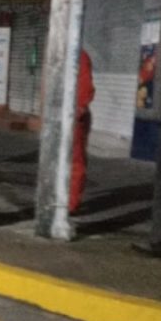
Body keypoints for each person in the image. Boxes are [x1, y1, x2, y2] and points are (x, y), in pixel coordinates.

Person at [70, 49, 96, 214]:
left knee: (75, 159)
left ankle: (71, 203)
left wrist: (79, 109)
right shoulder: (66, 53)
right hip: (66, 115)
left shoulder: (78, 55)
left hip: (74, 116)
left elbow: (86, 86)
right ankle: (66, 199)